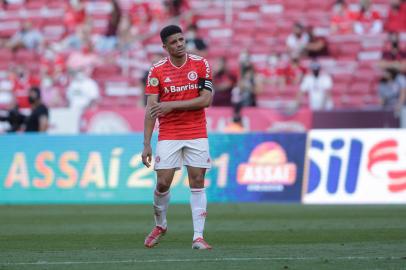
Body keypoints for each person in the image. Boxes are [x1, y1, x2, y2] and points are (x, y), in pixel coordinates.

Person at [141, 25, 213, 250]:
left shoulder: (201, 64)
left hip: (196, 131)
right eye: (174, 42)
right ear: (165, 47)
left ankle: (198, 237)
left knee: (198, 181)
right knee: (162, 183)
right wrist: (146, 144)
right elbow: (151, 109)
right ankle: (160, 225)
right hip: (169, 133)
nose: (180, 44)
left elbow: (205, 100)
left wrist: (172, 105)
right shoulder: (157, 71)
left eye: (182, 40)